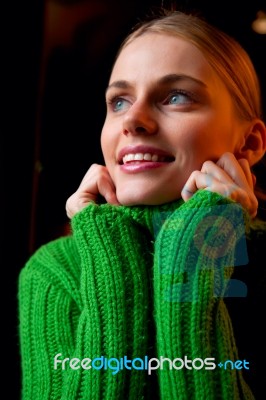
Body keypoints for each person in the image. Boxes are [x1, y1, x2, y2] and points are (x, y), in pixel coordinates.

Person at [18, 9, 266, 400]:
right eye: (118, 102)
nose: (133, 120)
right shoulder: (53, 271)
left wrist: (196, 250)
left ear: (249, 144)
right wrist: (109, 256)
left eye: (176, 96)